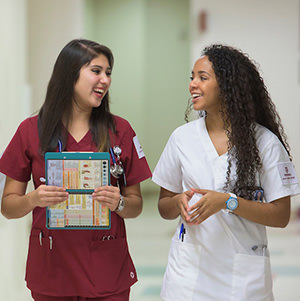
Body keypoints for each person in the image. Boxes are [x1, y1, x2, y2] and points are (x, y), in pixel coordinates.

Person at [0, 38, 152, 300]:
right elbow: (8, 206)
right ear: (69, 74)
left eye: (108, 73)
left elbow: (136, 204)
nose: (104, 79)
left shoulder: (120, 131)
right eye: (96, 71)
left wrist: (119, 204)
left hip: (106, 268)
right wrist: (34, 198)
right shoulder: (30, 130)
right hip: (52, 268)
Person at [152, 44, 300, 300]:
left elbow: (281, 215)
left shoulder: (264, 143)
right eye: (192, 77)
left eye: (202, 77)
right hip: (188, 274)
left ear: (228, 85)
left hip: (241, 277)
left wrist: (228, 202)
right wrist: (177, 202)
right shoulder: (182, 138)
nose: (192, 85)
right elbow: (164, 206)